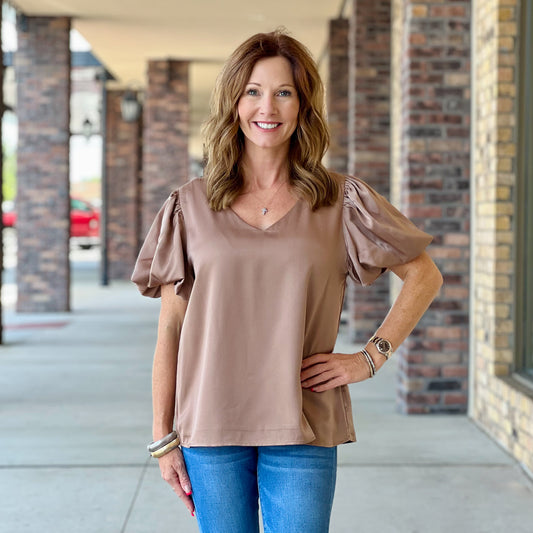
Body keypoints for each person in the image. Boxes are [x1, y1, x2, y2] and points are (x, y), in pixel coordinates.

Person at [132, 29, 443, 533]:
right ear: (234, 102)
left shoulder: (341, 200)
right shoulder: (189, 205)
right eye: (253, 91)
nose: (267, 106)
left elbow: (424, 275)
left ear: (302, 105)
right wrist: (162, 437)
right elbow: (171, 329)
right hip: (210, 426)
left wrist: (371, 356)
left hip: (303, 421)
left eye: (284, 92)